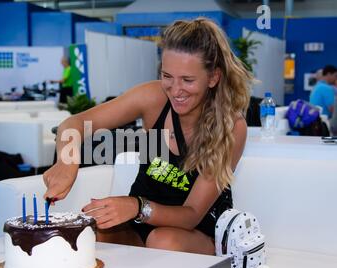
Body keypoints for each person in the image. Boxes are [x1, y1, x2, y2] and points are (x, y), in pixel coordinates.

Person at [43, 18, 253, 255]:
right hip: (140, 220)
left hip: (195, 231)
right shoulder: (153, 98)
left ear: (213, 78)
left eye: (187, 80)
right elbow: (74, 123)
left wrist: (136, 206)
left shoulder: (230, 126)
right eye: (167, 76)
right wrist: (67, 161)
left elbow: (192, 215)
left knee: (162, 241)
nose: (175, 89)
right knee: (94, 231)